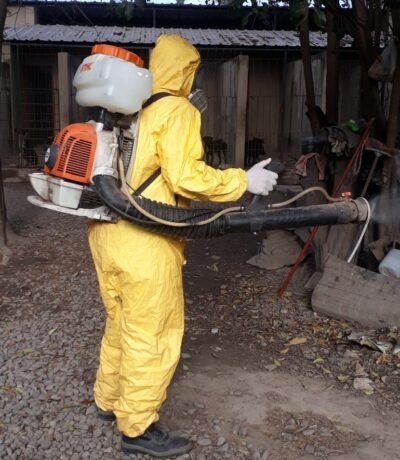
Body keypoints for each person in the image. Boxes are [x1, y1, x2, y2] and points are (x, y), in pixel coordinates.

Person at [88, 34, 278, 458]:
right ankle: (137, 429)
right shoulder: (176, 110)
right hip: (146, 243)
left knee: (120, 322)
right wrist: (243, 180)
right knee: (152, 333)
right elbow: (185, 177)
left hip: (107, 232)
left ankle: (107, 399)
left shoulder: (129, 109)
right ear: (186, 71)